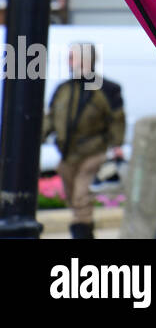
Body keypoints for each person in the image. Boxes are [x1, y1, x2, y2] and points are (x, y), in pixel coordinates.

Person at [42, 43, 125, 238]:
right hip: (67, 153)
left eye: (72, 57)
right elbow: (51, 118)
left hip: (93, 151)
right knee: (73, 197)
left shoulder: (107, 89)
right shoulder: (64, 89)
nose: (68, 61)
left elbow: (117, 119)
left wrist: (116, 145)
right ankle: (84, 228)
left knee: (80, 195)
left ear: (86, 60)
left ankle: (82, 234)